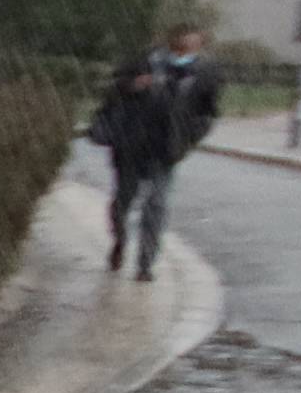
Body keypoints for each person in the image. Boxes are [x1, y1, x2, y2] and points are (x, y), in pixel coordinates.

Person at [91, 25, 221, 282]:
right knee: (122, 202)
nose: (188, 48)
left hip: (166, 150)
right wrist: (133, 85)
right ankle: (119, 240)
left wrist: (188, 136)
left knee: (156, 205)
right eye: (183, 43)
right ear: (172, 42)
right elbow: (113, 89)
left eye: (194, 44)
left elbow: (208, 112)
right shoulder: (144, 61)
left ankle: (145, 263)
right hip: (131, 145)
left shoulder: (205, 74)